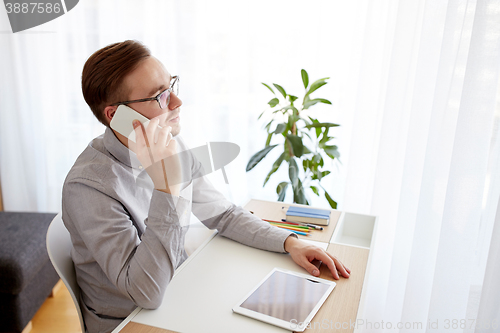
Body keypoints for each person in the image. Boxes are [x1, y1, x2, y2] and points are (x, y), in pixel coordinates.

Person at [62, 40, 350, 333]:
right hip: (131, 322)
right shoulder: (88, 187)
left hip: (180, 292)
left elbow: (222, 214)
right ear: (117, 116)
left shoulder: (170, 145)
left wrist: (291, 243)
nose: (176, 102)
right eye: (159, 96)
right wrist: (167, 186)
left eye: (171, 85)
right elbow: (145, 293)